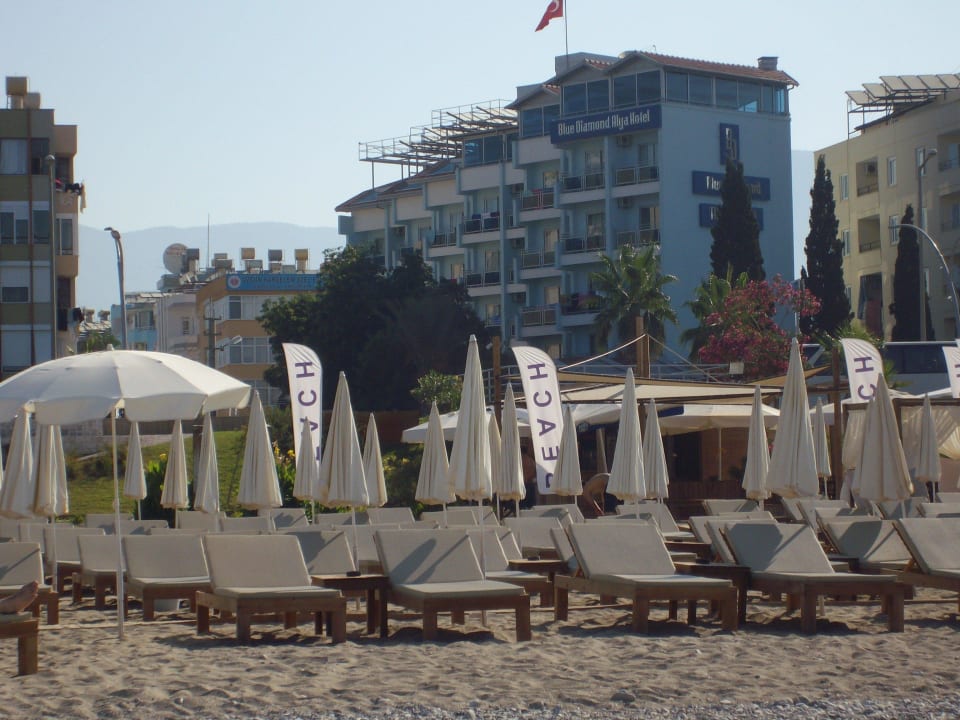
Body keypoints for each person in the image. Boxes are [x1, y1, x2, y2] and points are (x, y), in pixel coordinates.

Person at [519, 444, 538, 509]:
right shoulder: (531, 460)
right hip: (530, 484)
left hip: (524, 485)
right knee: (531, 506)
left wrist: (525, 478)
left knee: (522, 506)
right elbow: (535, 473)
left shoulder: (520, 461)